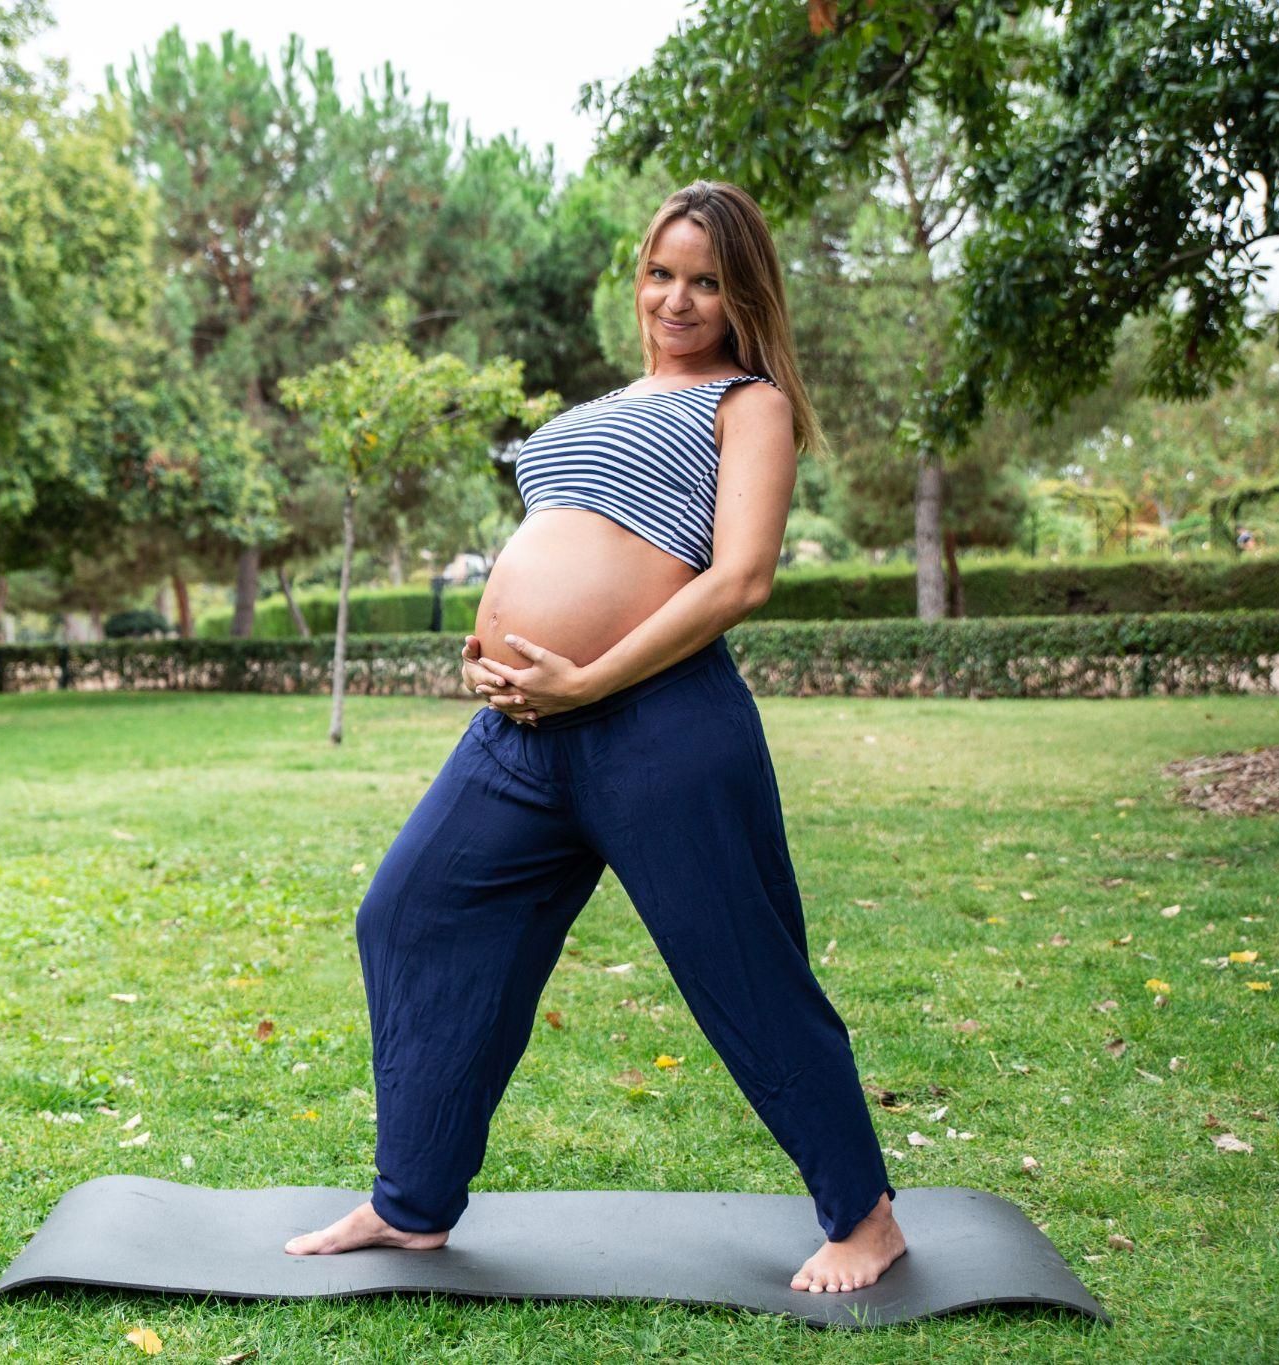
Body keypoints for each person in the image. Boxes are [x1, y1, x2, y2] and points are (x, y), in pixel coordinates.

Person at [283, 181, 908, 1295]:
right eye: (661, 273)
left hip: (659, 724)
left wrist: (588, 679)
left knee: (741, 967)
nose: (677, 299)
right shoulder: (603, 404)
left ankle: (863, 1219)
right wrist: (492, 658)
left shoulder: (746, 403)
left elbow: (740, 577)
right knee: (409, 912)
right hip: (520, 733)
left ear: (741, 293)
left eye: (706, 280)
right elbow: (548, 546)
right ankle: (411, 1202)